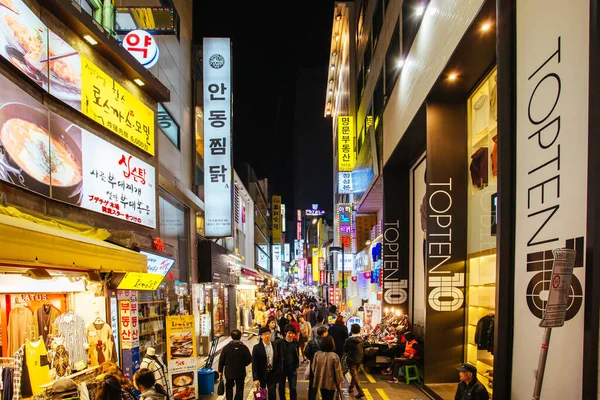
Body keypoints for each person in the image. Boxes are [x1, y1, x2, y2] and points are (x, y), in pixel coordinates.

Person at [218, 329, 252, 400]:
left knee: (229, 387)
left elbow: (221, 360)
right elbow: (249, 359)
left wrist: (220, 371)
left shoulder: (226, 348)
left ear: (231, 336)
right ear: (240, 336)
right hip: (240, 372)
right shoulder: (243, 347)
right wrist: (243, 364)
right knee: (239, 388)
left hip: (229, 372)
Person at [310, 336, 343, 400]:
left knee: (323, 396)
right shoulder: (335, 356)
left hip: (320, 381)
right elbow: (338, 371)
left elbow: (313, 368)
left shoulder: (317, 354)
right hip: (331, 382)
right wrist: (339, 383)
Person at [252, 328, 280, 400]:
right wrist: (255, 378)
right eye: (264, 334)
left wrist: (278, 371)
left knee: (272, 393)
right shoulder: (257, 348)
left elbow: (278, 359)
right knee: (262, 395)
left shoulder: (275, 345)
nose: (267, 336)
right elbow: (254, 364)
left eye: (268, 334)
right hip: (261, 374)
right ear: (261, 336)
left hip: (272, 373)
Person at [305, 327, 328, 400]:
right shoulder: (327, 342)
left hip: (314, 365)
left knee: (313, 385)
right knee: (324, 384)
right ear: (324, 333)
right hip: (325, 365)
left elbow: (306, 352)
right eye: (326, 332)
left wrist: (312, 359)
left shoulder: (311, 341)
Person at [277, 325, 300, 400]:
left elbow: (296, 354)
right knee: (281, 387)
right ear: (285, 333)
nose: (291, 335)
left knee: (293, 387)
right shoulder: (279, 343)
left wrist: (296, 365)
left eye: (293, 333)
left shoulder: (295, 342)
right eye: (289, 333)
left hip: (292, 368)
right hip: (282, 369)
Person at [344, 324, 365, 398]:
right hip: (359, 359)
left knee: (354, 375)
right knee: (354, 374)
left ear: (351, 330)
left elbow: (345, 349)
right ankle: (351, 387)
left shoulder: (349, 340)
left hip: (351, 359)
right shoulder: (361, 339)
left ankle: (360, 391)